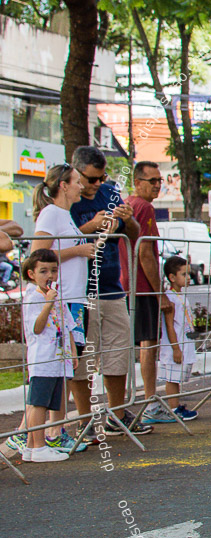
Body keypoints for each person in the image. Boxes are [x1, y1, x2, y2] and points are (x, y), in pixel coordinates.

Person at [69, 145, 151, 439]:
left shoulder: (110, 192)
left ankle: (117, 414)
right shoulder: (67, 199)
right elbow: (58, 241)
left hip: (112, 286)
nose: (97, 184)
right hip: (80, 290)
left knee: (119, 352)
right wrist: (90, 226)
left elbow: (133, 234)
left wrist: (127, 219)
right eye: (91, 179)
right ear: (75, 173)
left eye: (101, 178)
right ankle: (84, 419)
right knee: (83, 358)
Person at [15, 163, 92, 455]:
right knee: (53, 370)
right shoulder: (50, 213)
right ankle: (35, 434)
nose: (81, 186)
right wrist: (78, 250)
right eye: (76, 181)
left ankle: (47, 433)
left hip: (70, 298)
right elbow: (40, 255)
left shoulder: (65, 215)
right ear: (63, 185)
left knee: (65, 366)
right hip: (63, 298)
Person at [120, 162, 174, 426]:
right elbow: (146, 254)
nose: (157, 185)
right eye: (151, 180)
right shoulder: (143, 207)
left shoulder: (131, 205)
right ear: (137, 182)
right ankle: (151, 401)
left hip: (130, 286)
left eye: (159, 180)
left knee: (142, 344)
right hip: (141, 287)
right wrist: (160, 293)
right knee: (148, 344)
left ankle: (142, 401)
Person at [19, 249, 77, 462]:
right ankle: (38, 446)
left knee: (50, 401)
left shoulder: (56, 295)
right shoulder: (33, 296)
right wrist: (47, 304)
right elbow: (36, 327)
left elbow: (68, 325)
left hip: (58, 358)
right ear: (31, 274)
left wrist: (73, 352)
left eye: (53, 270)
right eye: (43, 271)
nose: (50, 275)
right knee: (38, 404)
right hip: (42, 359)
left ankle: (31, 448)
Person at [159, 256, 198, 421]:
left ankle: (177, 406)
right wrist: (175, 348)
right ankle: (174, 408)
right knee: (172, 378)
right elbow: (169, 325)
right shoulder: (170, 299)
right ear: (172, 277)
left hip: (185, 342)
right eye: (184, 274)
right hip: (175, 346)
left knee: (178, 377)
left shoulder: (181, 295)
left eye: (189, 274)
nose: (188, 278)